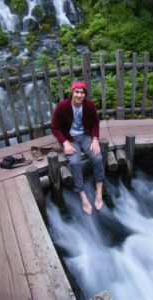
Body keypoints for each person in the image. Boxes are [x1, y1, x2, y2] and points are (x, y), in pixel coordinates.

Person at [51, 81, 104, 215]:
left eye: (82, 93)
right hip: (70, 138)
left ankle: (99, 192)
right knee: (74, 162)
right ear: (72, 92)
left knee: (97, 157)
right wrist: (64, 142)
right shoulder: (62, 106)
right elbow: (55, 127)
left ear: (85, 95)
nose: (79, 95)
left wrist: (95, 139)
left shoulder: (89, 105)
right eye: (77, 92)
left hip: (85, 136)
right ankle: (82, 195)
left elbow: (95, 123)